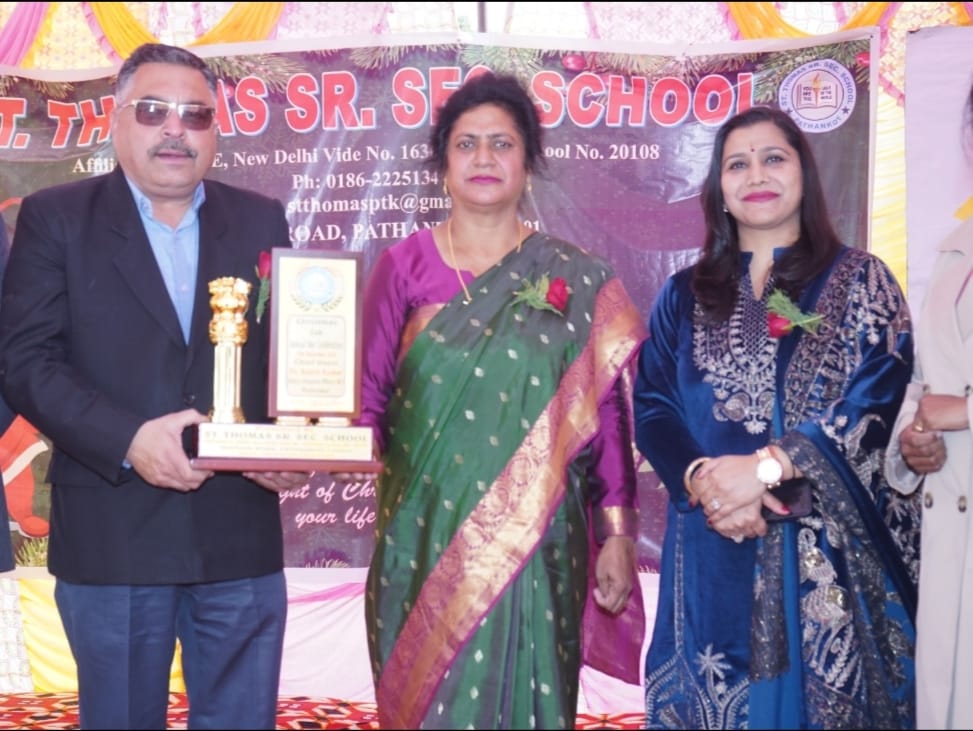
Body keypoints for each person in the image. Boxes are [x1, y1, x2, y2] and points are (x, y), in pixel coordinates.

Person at [0, 43, 308, 729]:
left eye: (195, 115)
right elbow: (25, 361)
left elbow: (289, 358)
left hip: (238, 532)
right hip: (115, 535)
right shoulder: (57, 218)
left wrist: (293, 438)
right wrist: (128, 439)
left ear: (216, 131)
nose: (176, 129)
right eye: (153, 111)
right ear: (115, 120)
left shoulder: (261, 219)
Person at [356, 70, 647, 729]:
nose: (483, 157)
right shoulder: (403, 267)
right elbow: (367, 402)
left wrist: (617, 534)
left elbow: (606, 416)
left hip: (540, 543)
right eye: (466, 144)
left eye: (502, 143)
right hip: (423, 537)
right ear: (442, 163)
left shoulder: (578, 275)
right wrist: (306, 441)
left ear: (528, 162)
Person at [633, 106, 921, 730]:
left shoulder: (860, 280)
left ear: (804, 175)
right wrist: (705, 481)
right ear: (719, 188)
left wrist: (766, 468)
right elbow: (653, 405)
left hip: (819, 548)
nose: (756, 175)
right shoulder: (683, 294)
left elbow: (876, 396)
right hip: (710, 539)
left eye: (773, 158)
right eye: (737, 164)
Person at [885, 76, 973, 729]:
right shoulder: (953, 253)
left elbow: (955, 401)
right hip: (951, 533)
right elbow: (921, 383)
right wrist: (912, 441)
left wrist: (964, 411)